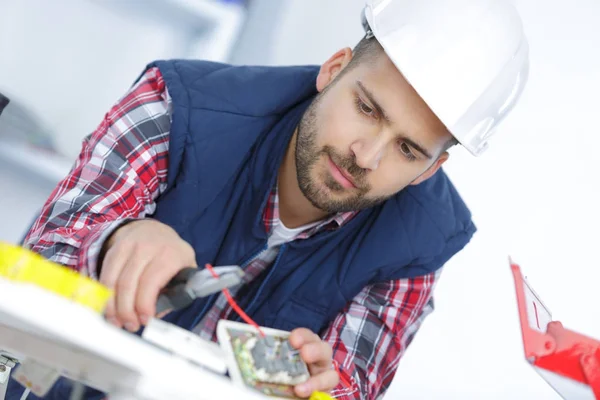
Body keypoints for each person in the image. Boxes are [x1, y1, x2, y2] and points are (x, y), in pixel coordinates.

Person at [6, 0, 529, 398]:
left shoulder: (420, 243)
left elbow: (350, 384)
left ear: (431, 169)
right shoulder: (177, 105)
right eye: (367, 109)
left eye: (409, 149)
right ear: (334, 69)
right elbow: (35, 263)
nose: (365, 156)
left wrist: (322, 388)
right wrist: (114, 242)